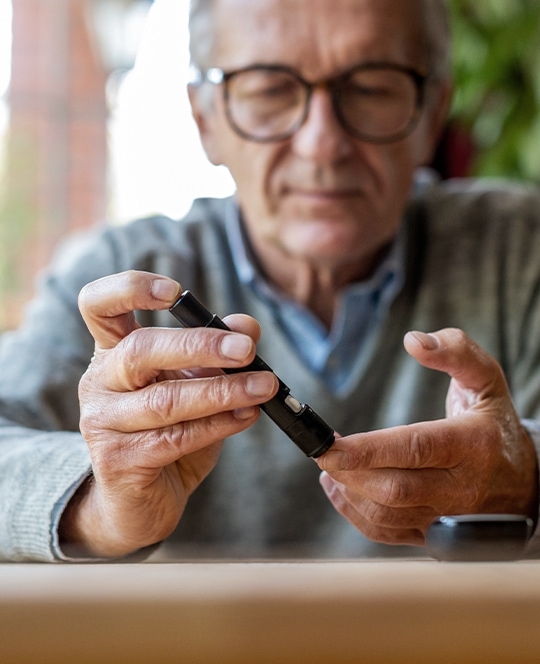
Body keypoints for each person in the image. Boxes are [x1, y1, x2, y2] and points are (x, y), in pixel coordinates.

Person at [1, 0, 540, 562]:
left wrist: (529, 473)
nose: (322, 143)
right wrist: (98, 502)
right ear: (206, 121)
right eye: (270, 90)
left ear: (434, 114)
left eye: (372, 88)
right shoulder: (117, 286)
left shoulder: (524, 253)